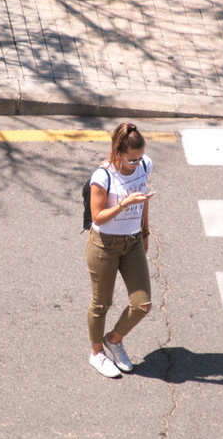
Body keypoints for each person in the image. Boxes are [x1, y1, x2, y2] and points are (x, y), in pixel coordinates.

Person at [85, 123, 155, 378]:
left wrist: (145, 232)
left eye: (139, 158)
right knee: (101, 303)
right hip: (104, 245)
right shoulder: (103, 177)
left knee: (142, 304)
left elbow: (144, 201)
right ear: (118, 153)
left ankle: (113, 340)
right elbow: (98, 217)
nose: (137, 164)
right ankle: (96, 354)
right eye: (131, 159)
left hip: (133, 241)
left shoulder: (145, 165)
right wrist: (125, 203)